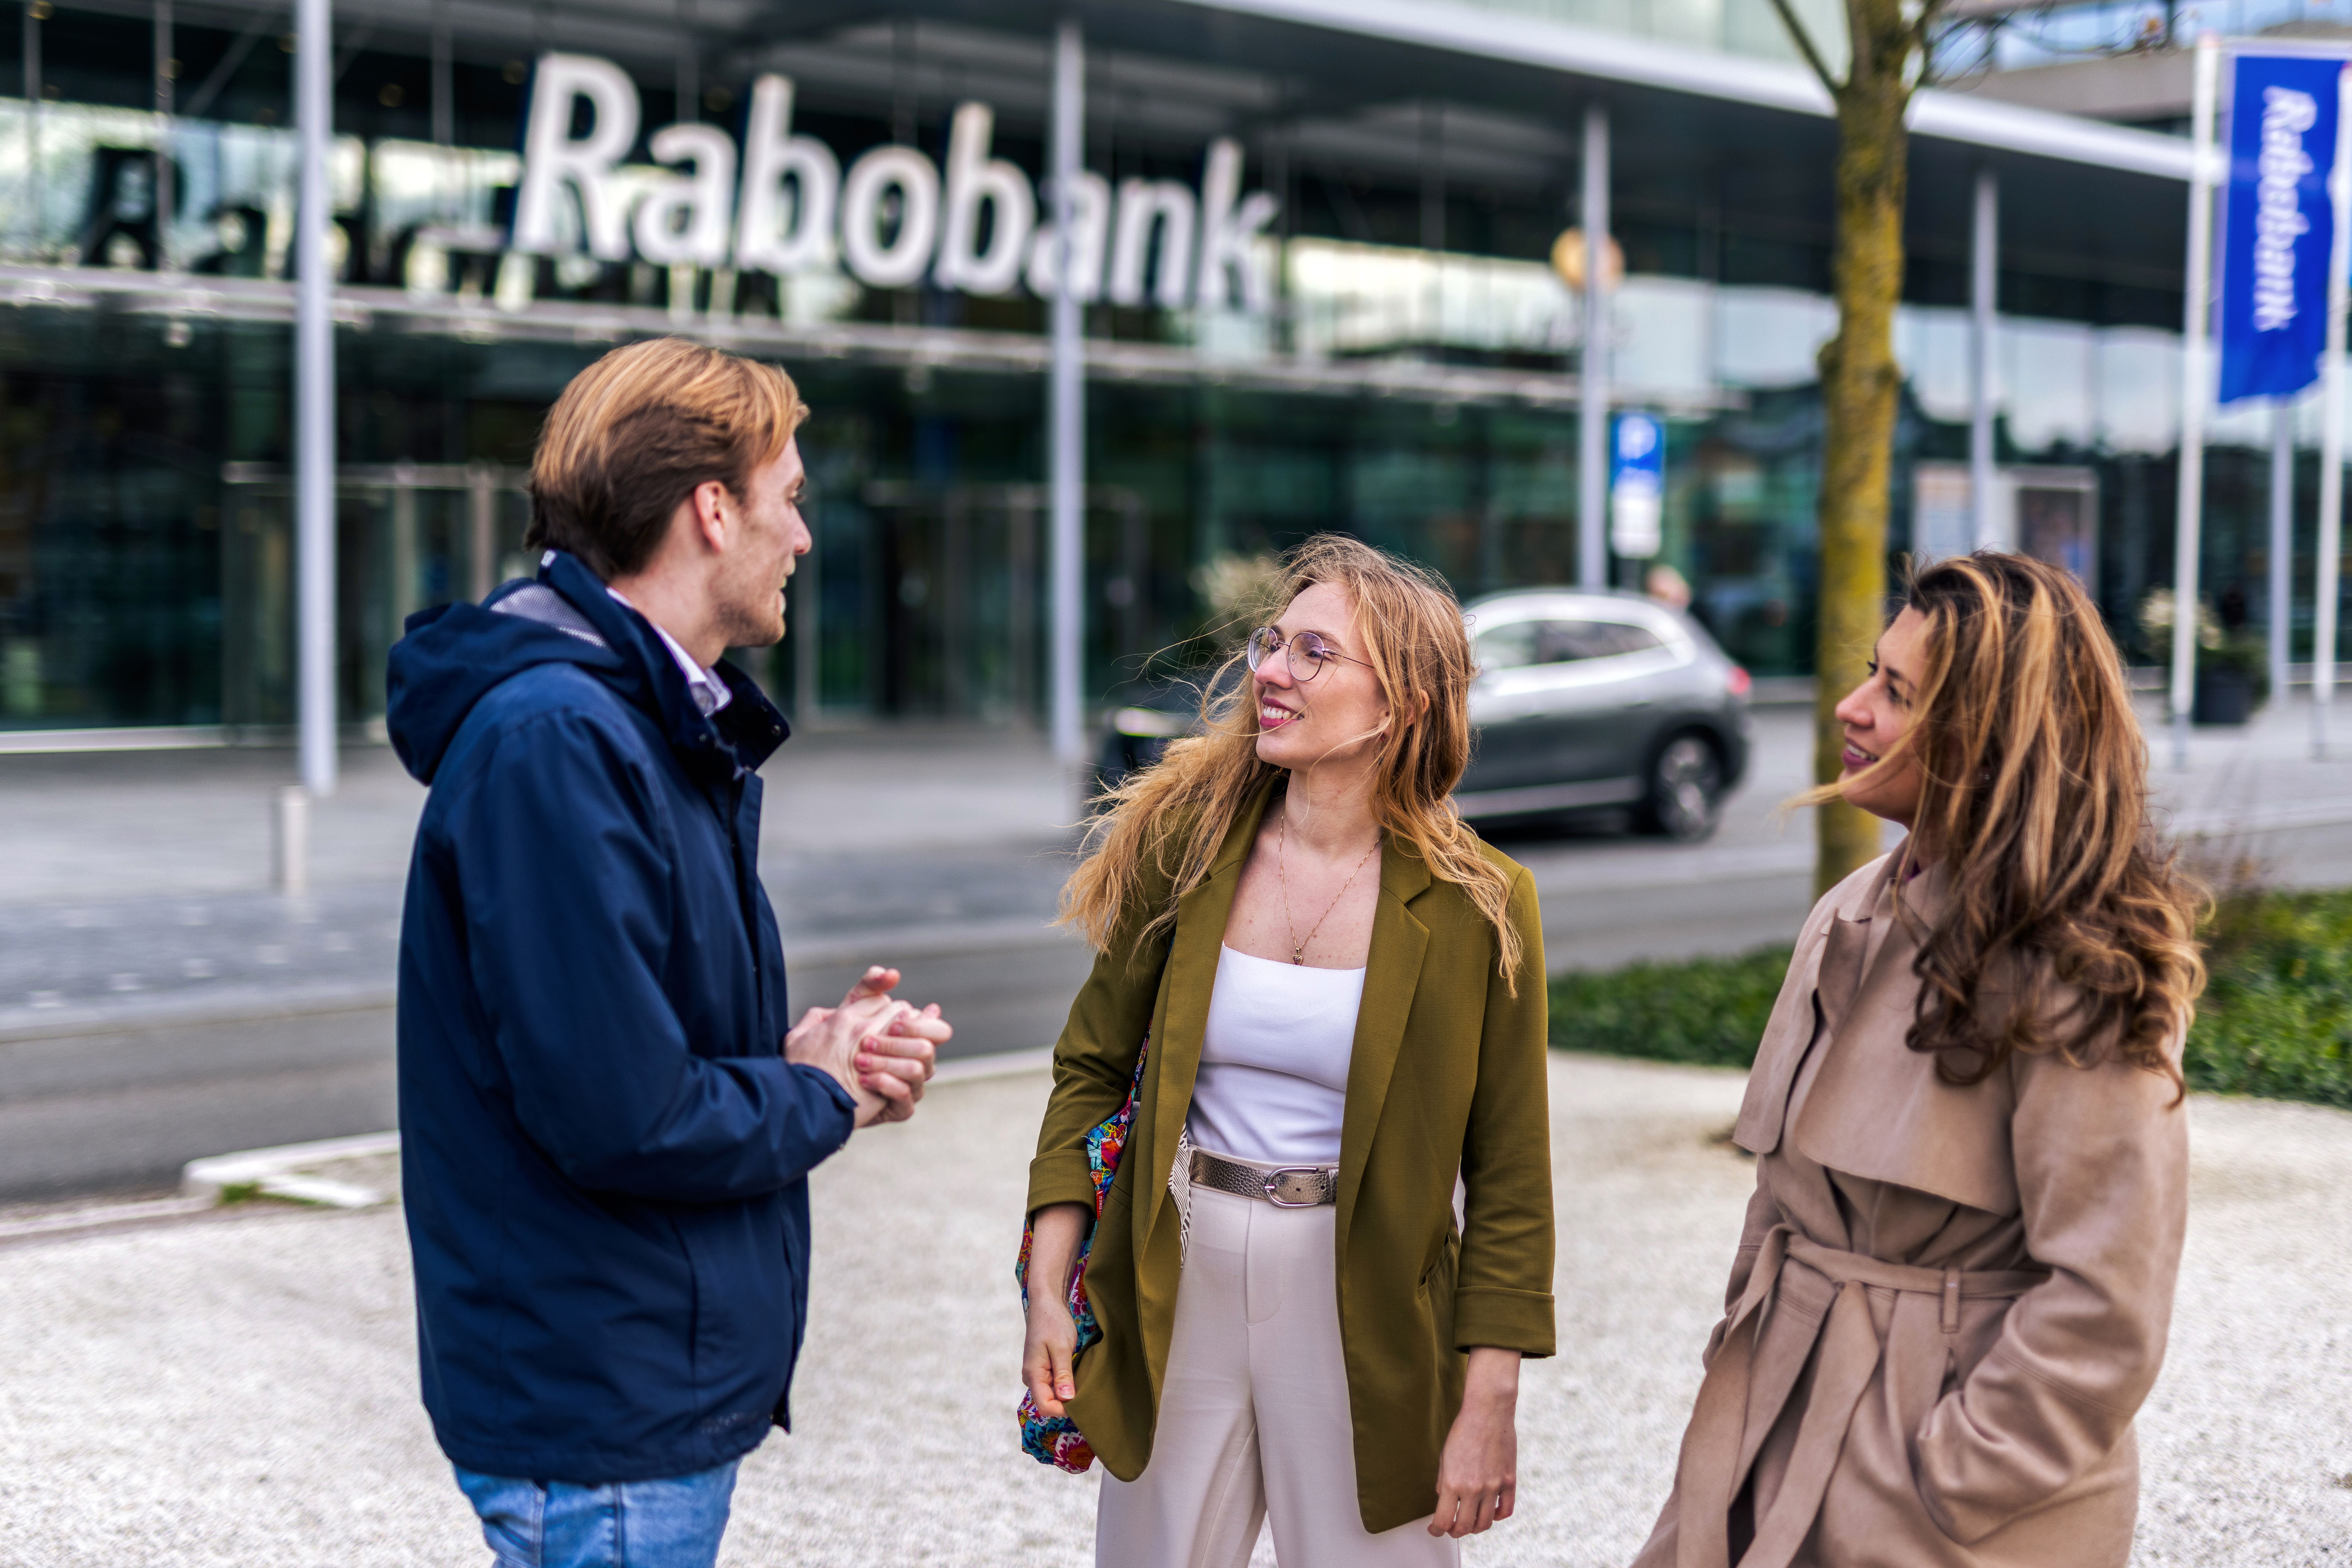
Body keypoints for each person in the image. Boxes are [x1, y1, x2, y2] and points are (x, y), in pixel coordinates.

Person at [386, 337, 951, 1568]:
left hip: (626, 1384)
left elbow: (632, 1046)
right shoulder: (561, 739)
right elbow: (620, 1110)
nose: (801, 537)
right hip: (601, 1409)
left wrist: (806, 1052)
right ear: (711, 510)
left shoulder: (639, 722)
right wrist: (819, 1093)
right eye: (788, 498)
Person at [1631, 551, 2206, 1568]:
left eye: (1896, 693)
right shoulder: (1849, 910)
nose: (1850, 709)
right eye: (1870, 673)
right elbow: (1782, 1197)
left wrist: (1948, 1472)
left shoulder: (2083, 965)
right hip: (1774, 1421)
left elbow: (2107, 1307)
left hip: (1946, 1499)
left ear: (1988, 738)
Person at [1022, 534, 1556, 1567]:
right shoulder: (1187, 847)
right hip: (1181, 1261)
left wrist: (1490, 1395)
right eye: (1274, 643)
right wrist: (1051, 1279)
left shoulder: (1481, 907)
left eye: (1314, 654)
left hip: (1366, 1291)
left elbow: (1510, 1177)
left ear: (1399, 703)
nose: (1268, 671)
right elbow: (1089, 1066)